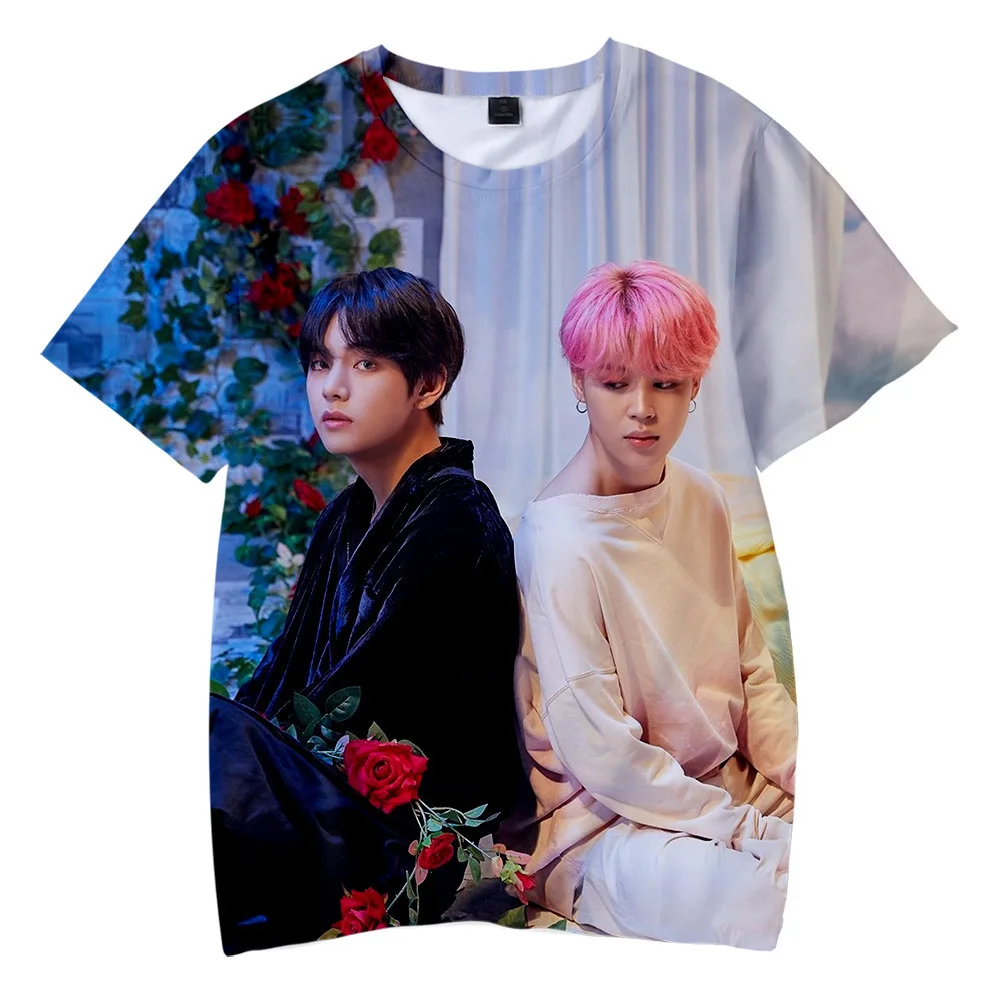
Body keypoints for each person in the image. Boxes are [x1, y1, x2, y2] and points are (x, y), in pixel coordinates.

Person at [210, 267, 528, 955]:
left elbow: (361, 705)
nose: (333, 387)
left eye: (365, 363)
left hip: (405, 840)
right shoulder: (346, 516)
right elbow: (280, 677)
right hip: (331, 799)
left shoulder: (456, 518)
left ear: (429, 383)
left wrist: (233, 742)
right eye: (320, 362)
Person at [494, 260, 799, 950]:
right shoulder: (559, 539)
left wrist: (799, 772)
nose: (643, 407)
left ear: (695, 384)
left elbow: (752, 672)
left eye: (666, 382)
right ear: (579, 383)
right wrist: (747, 830)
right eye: (615, 382)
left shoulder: (702, 497)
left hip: (725, 786)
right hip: (609, 824)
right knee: (770, 906)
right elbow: (604, 755)